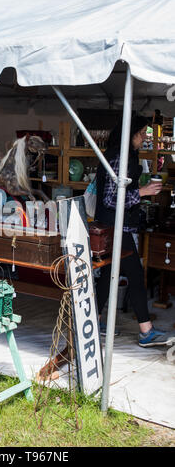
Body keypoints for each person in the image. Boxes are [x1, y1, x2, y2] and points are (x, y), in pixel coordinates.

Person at [94, 115, 170, 347]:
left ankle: (94, 322)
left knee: (108, 275)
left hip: (114, 225)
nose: (145, 137)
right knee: (135, 275)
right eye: (142, 133)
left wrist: (140, 193)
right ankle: (146, 331)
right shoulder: (118, 156)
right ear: (130, 134)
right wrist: (143, 193)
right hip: (115, 227)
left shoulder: (126, 155)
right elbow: (109, 198)